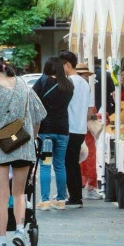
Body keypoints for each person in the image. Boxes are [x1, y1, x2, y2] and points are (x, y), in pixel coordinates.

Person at [0, 55, 47, 246]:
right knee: (20, 193)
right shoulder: (24, 84)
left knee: (2, 194)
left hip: (1, 146)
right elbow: (39, 113)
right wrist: (31, 135)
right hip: (24, 144)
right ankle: (20, 231)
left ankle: (1, 242)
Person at [32, 57, 74, 211]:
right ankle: (61, 200)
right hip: (63, 130)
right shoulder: (69, 84)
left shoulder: (43, 81)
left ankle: (45, 201)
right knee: (60, 165)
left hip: (46, 131)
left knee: (45, 165)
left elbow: (32, 98)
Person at [59, 51, 95, 209]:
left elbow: (62, 107)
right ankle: (76, 195)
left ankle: (74, 196)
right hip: (81, 128)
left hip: (69, 127)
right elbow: (90, 111)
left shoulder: (68, 83)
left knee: (68, 162)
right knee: (73, 162)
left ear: (67, 64)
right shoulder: (85, 84)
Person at [77, 64, 101, 200]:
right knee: (89, 157)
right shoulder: (86, 88)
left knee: (78, 159)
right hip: (85, 128)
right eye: (85, 75)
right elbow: (91, 110)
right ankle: (90, 187)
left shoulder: (71, 86)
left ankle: (78, 186)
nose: (86, 77)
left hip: (74, 128)